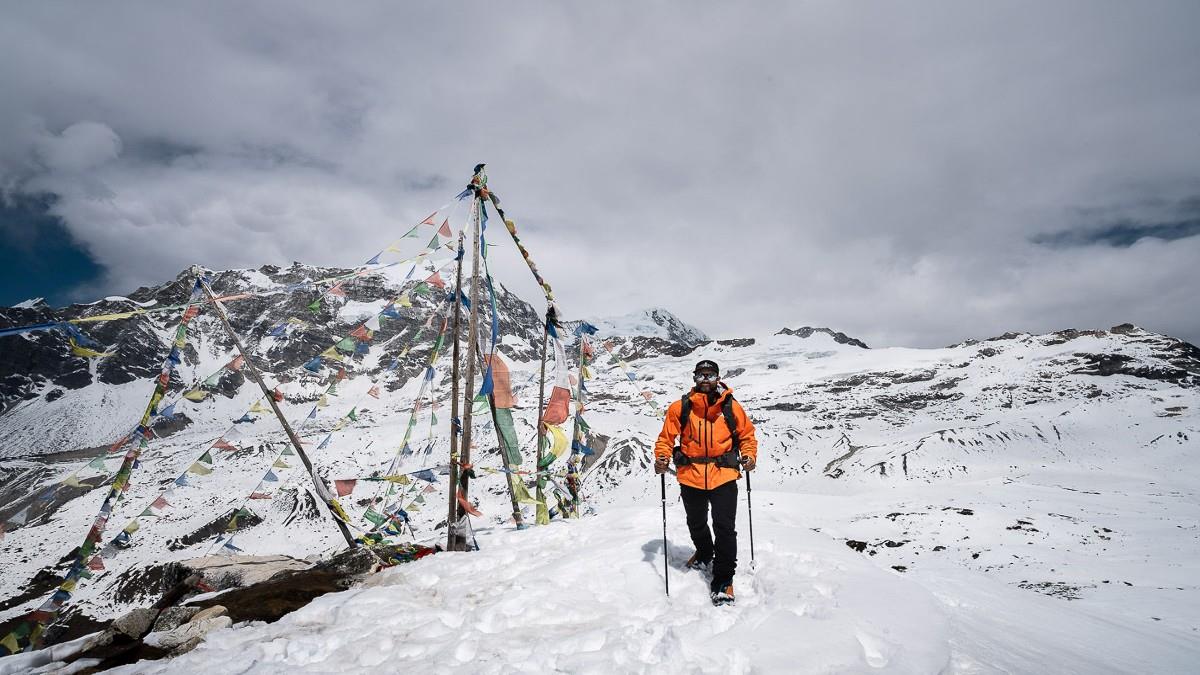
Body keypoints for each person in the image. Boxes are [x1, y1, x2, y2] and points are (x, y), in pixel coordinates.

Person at [654, 359, 757, 605]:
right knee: (696, 522)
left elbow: (747, 436)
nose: (706, 381)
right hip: (691, 475)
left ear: (718, 378)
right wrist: (661, 456)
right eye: (701, 376)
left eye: (710, 376)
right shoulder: (681, 408)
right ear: (694, 379)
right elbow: (666, 438)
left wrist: (750, 455)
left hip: (724, 475)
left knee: (724, 528)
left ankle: (723, 579)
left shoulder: (731, 407)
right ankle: (704, 551)